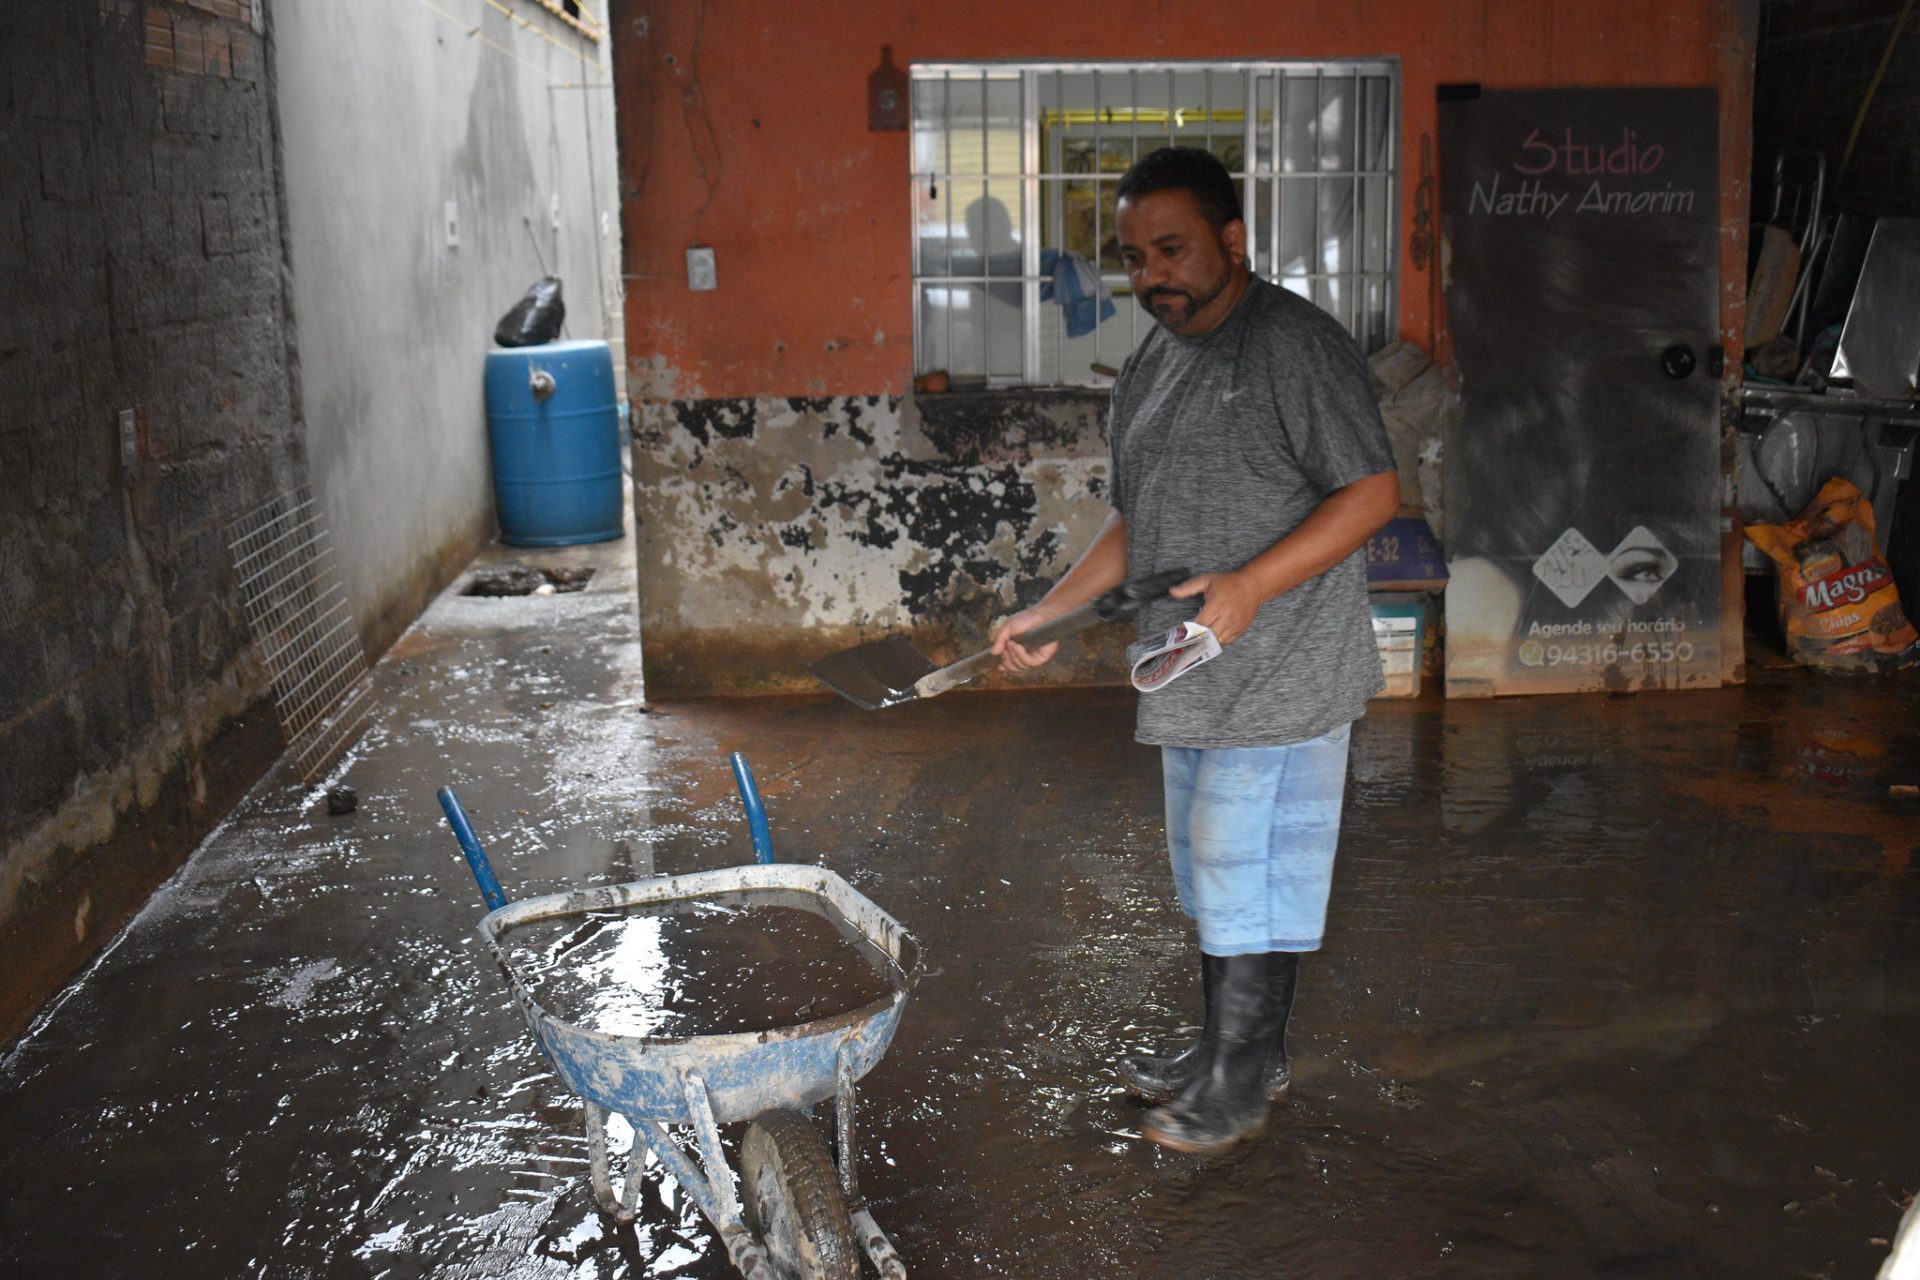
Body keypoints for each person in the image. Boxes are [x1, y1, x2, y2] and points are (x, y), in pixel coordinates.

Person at [990, 147, 1399, 1156]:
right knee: (1209, 864)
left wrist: (1255, 583)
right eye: (1136, 257)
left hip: (1284, 657)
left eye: (1173, 249)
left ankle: (1239, 1079)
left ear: (1232, 241)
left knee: (1240, 858)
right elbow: (1137, 519)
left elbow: (1372, 492)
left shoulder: (1296, 347)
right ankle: (1236, 1049)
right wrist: (1049, 610)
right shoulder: (1151, 363)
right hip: (1188, 660)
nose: (1154, 274)